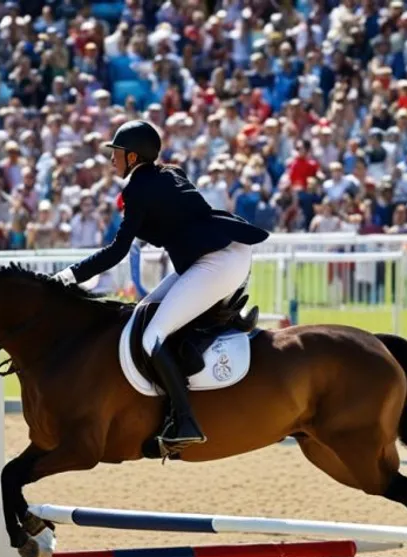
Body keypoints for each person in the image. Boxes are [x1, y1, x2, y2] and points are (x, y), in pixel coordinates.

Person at [50, 120, 269, 454]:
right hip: (221, 252)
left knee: (152, 338)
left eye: (117, 153)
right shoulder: (168, 173)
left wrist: (67, 277)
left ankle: (185, 421)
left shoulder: (138, 188)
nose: (112, 159)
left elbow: (116, 251)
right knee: (145, 313)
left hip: (217, 260)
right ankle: (219, 318)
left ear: (133, 156)